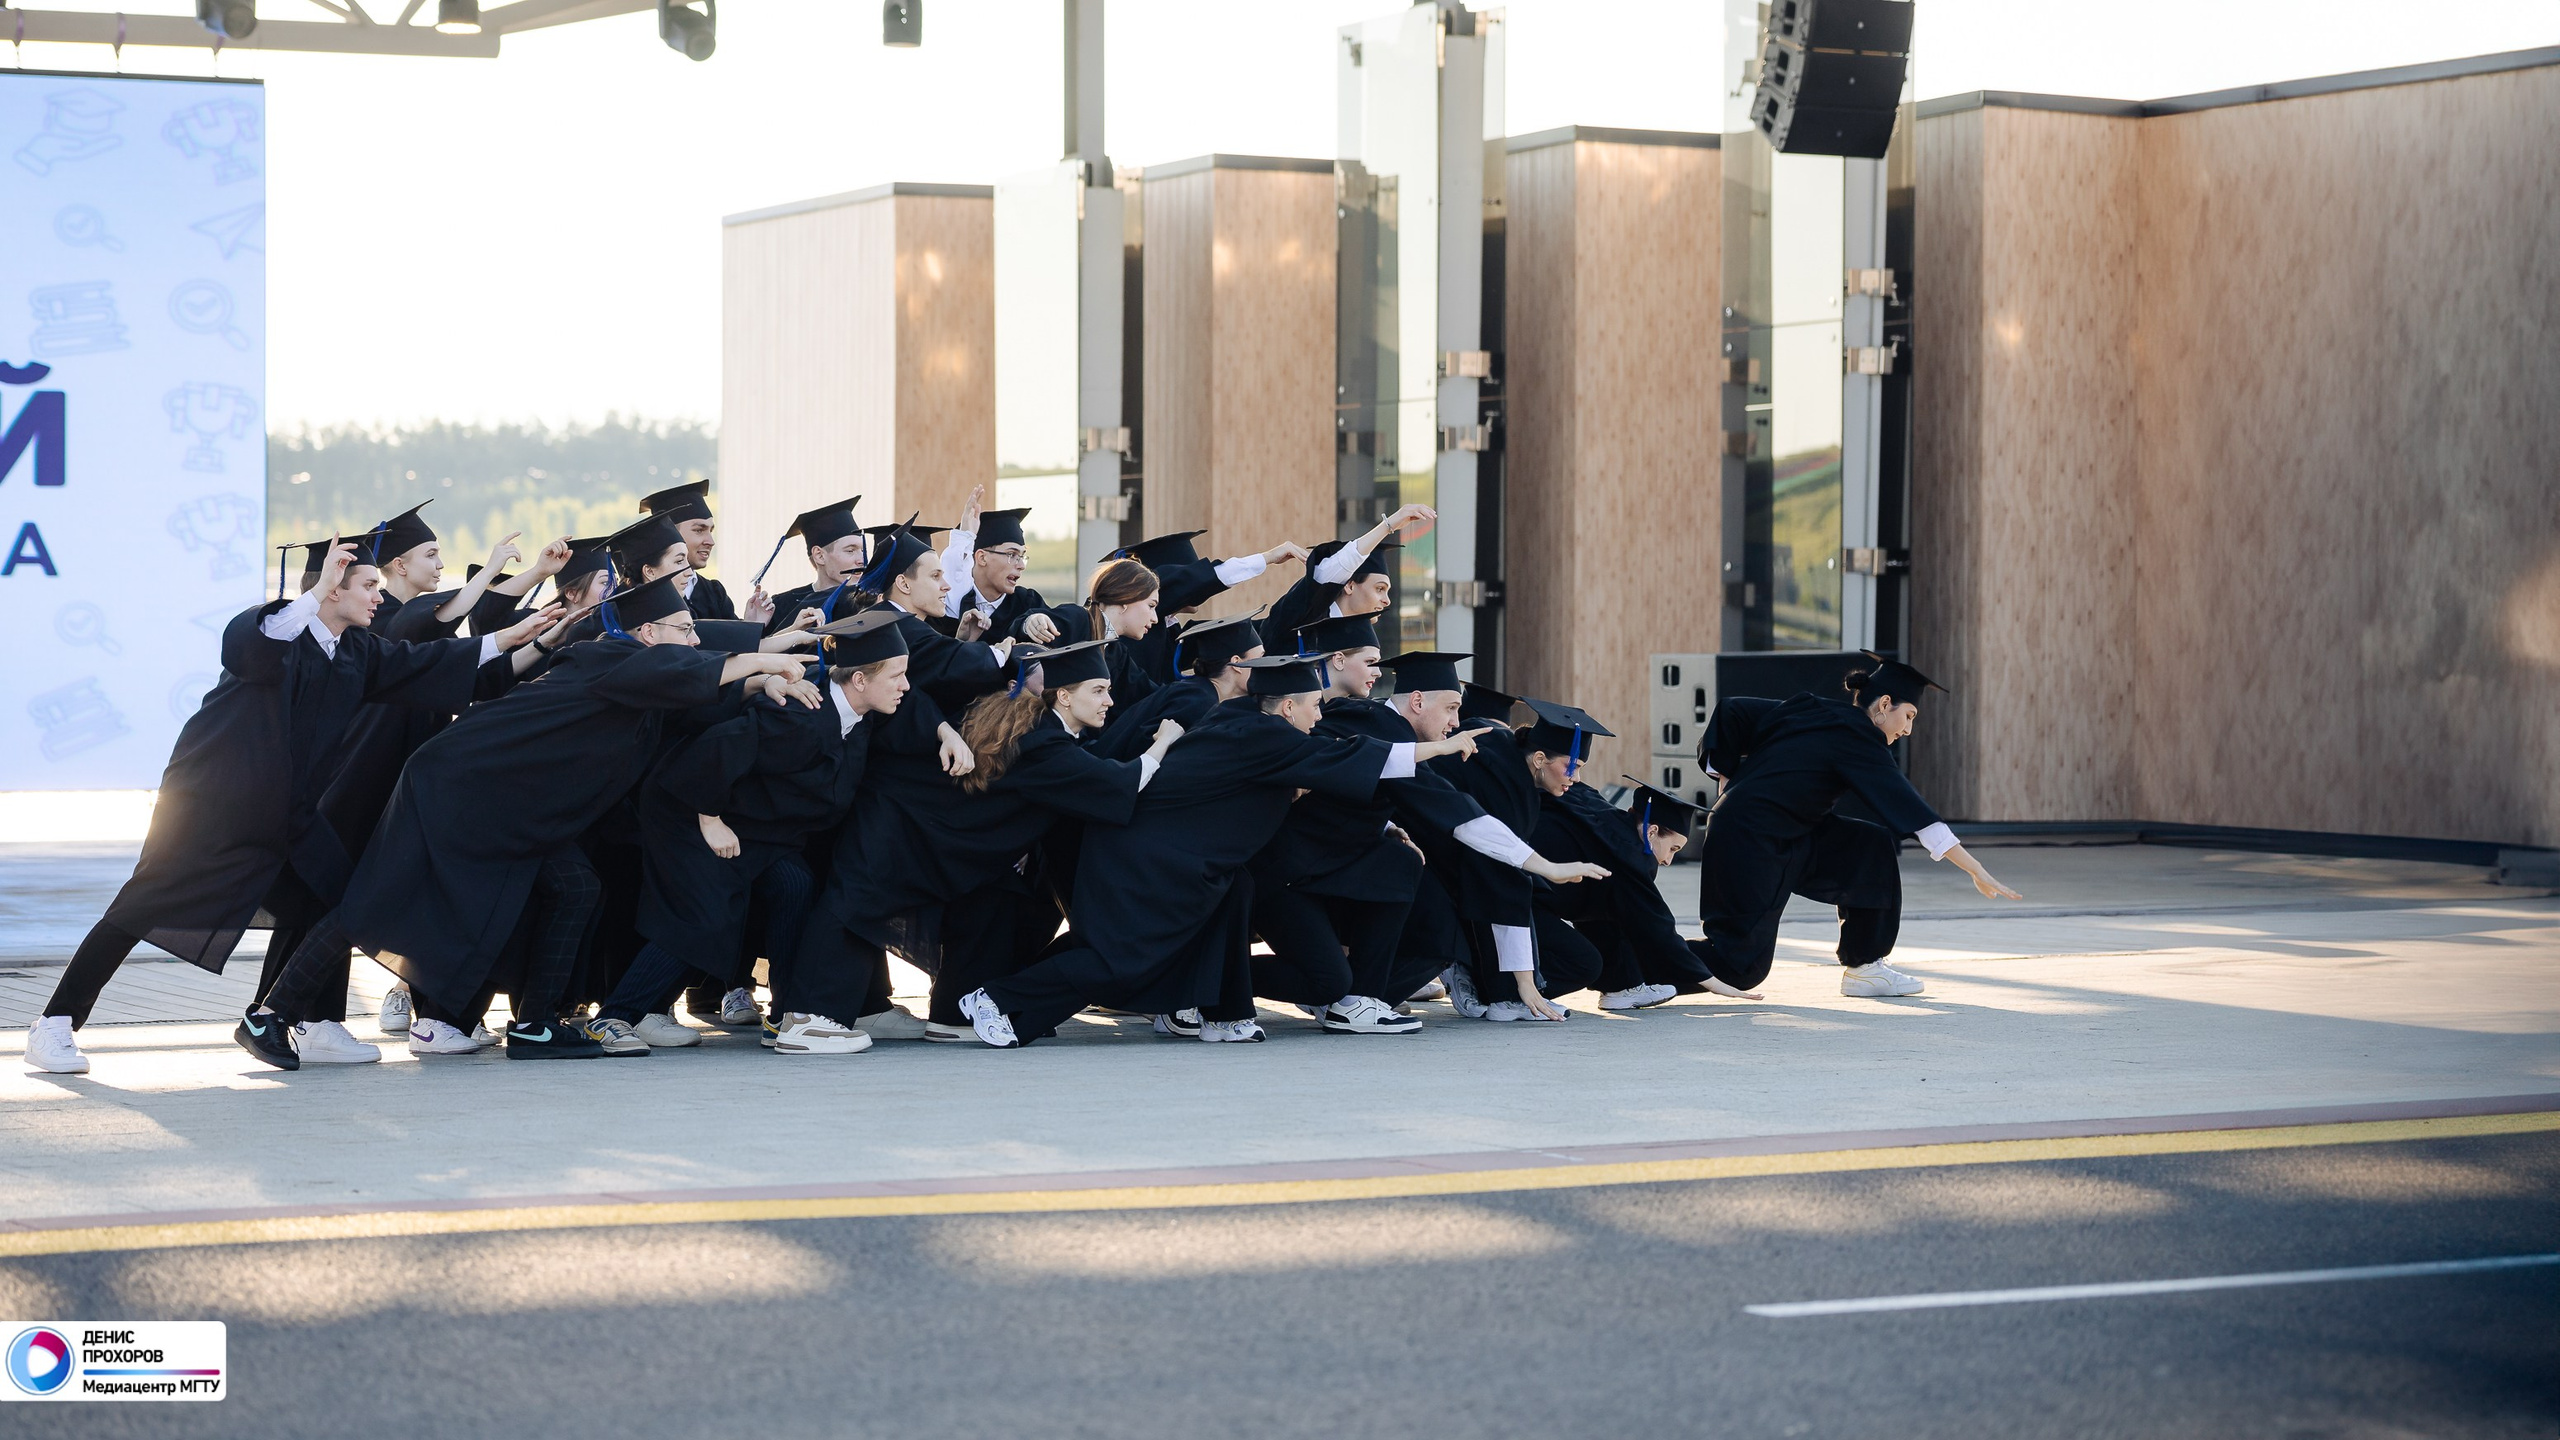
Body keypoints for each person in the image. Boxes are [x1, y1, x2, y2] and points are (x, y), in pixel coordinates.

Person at [239, 574, 817, 1068]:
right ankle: (270, 1016)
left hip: (518, 808)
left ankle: (535, 1026)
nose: (695, 639)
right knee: (378, 900)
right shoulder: (609, 657)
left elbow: (693, 694)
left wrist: (758, 681)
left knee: (575, 887)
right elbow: (687, 675)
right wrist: (766, 659)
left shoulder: (640, 675)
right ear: (649, 635)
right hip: (458, 790)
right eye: (685, 630)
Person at [25, 538, 556, 1075]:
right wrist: (318, 589)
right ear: (330, 591)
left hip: (292, 812)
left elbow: (428, 663)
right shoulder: (274, 634)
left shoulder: (357, 651)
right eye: (368, 587)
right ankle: (54, 1025)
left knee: (345, 901)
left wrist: (507, 639)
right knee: (140, 908)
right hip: (212, 806)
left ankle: (304, 1019)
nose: (379, 598)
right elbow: (257, 642)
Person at [957, 654, 1479, 1049]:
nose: (1321, 717)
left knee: (1231, 897)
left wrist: (1385, 825)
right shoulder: (1267, 736)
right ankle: (998, 999)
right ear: (1289, 705)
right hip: (1149, 863)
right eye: (1315, 706)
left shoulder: (1241, 724)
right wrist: (1439, 747)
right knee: (1123, 959)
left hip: (1183, 862)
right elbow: (1345, 756)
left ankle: (1226, 1013)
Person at [823, 639, 1181, 1041]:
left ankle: (952, 1015)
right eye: (1098, 690)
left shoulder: (1027, 721)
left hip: (936, 838)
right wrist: (1164, 741)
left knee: (995, 903)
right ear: (1063, 695)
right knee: (855, 914)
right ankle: (825, 1019)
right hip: (924, 839)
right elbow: (1115, 784)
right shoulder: (1044, 741)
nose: (1109, 701)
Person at [593, 610, 913, 1055]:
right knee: (705, 918)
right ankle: (613, 1019)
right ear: (859, 680)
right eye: (897, 675)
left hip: (754, 828)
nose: (905, 686)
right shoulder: (797, 715)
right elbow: (709, 756)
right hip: (691, 811)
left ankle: (786, 1019)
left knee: (795, 886)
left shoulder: (855, 712)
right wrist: (709, 817)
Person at [1693, 654, 2022, 999]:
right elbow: (1913, 811)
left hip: (1784, 833)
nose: (1908, 729)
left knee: (1868, 847)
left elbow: (1732, 710)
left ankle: (1865, 968)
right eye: (1908, 716)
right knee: (1738, 966)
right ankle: (1635, 966)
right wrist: (1975, 868)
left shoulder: (1811, 708)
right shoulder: (1862, 738)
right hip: (1750, 841)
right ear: (1884, 704)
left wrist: (1727, 786)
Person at [1092, 530, 1310, 683]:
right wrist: (1268, 557)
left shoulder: (1169, 629)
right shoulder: (1134, 631)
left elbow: (1237, 632)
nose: (1201, 590)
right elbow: (1197, 580)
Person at [1087, 610, 1263, 763]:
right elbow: (1144, 746)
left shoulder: (1199, 692)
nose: (1264, 665)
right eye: (1259, 658)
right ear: (1237, 664)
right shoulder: (1196, 701)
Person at [1262, 502, 1435, 642]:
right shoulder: (1304, 615)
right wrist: (1389, 525)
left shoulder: (1356, 639)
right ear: (1349, 585)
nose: (1387, 601)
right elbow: (1335, 569)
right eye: (1380, 589)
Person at [1021, 555, 1161, 719]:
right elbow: (1022, 631)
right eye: (1151, 606)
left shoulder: (1117, 652)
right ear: (1126, 598)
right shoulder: (1077, 620)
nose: (1155, 618)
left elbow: (1148, 694)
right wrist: (1030, 622)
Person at [937, 486, 1060, 644]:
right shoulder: (953, 602)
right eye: (1012, 554)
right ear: (982, 558)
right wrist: (964, 538)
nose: (1021, 565)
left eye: (1022, 555)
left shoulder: (1027, 603)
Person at [637, 479, 752, 622]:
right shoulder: (636, 601)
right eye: (699, 530)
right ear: (670, 533)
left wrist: (752, 624)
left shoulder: (714, 593)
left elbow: (737, 641)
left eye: (711, 531)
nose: (711, 542)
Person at [756, 494, 865, 638]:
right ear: (819, 556)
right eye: (850, 551)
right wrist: (753, 624)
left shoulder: (865, 603)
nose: (862, 560)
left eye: (863, 550)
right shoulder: (782, 606)